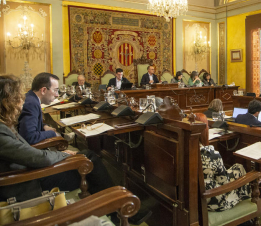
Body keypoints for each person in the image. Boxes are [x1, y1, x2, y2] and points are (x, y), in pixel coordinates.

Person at [1, 75, 151, 226]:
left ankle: (114, 210)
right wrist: (62, 155)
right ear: (7, 103)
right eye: (18, 99)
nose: (22, 103)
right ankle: (119, 209)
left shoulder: (5, 124)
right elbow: (37, 156)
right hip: (30, 180)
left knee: (87, 158)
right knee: (88, 161)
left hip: (31, 171)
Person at [196, 113, 251, 212]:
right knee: (241, 171)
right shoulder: (210, 154)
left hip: (195, 199)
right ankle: (248, 211)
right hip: (214, 200)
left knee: (237, 167)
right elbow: (224, 181)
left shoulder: (185, 149)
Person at [18, 72, 61, 145]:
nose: (57, 95)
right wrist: (52, 133)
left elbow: (33, 123)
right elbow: (30, 137)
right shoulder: (31, 103)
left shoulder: (31, 98)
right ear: (43, 90)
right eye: (55, 90)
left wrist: (44, 126)